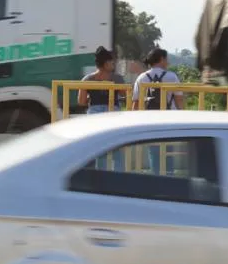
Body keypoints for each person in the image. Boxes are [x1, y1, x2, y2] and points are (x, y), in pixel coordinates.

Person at [133, 48, 184, 176]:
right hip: (169, 119)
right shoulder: (171, 76)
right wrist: (182, 115)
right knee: (169, 151)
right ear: (161, 59)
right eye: (166, 59)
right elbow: (179, 100)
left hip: (150, 120)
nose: (168, 62)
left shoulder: (142, 77)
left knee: (154, 151)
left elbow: (136, 103)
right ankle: (169, 176)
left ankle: (156, 178)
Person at [78, 47, 126, 171]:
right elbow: (124, 94)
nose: (113, 64)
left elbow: (81, 101)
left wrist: (90, 98)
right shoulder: (117, 79)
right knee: (117, 148)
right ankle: (120, 177)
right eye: (112, 62)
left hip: (94, 115)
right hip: (113, 113)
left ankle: (100, 177)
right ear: (106, 63)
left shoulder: (87, 79)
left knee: (99, 148)